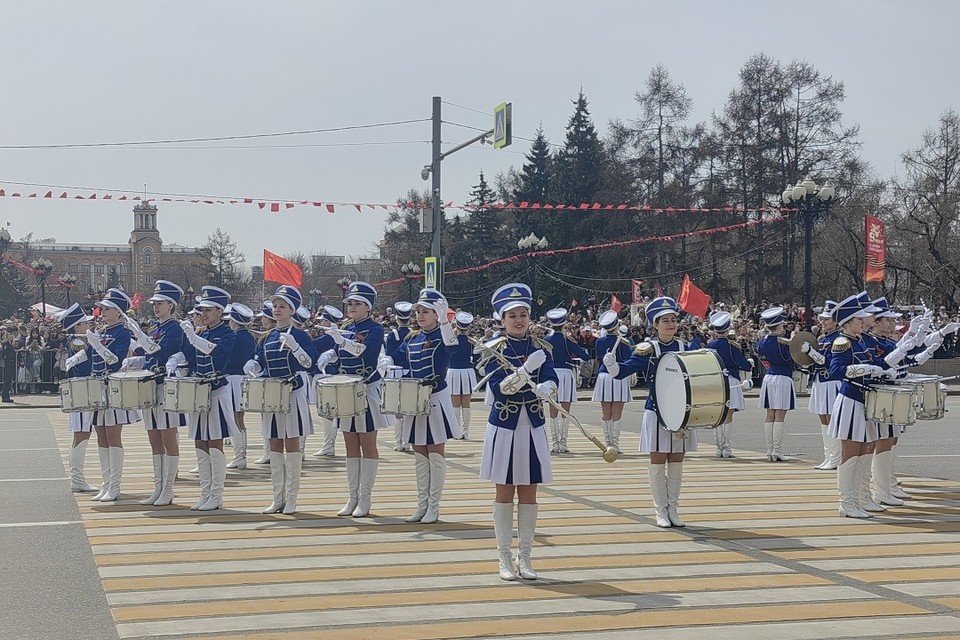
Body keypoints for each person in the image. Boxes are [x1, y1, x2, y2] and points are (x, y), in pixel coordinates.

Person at [479, 283, 557, 581]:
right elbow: (500, 390)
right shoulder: (492, 350)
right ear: (502, 319)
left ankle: (525, 557)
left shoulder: (541, 347)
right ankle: (503, 558)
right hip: (505, 427)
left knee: (529, 492)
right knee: (504, 491)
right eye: (512, 315)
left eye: (523, 314)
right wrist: (526, 371)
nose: (519, 320)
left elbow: (550, 377)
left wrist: (548, 386)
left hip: (533, 426)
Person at [606, 297, 695, 528]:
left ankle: (673, 509)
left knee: (677, 461)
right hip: (657, 412)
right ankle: (660, 511)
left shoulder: (686, 347)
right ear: (655, 325)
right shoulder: (647, 349)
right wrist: (613, 366)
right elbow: (624, 372)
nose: (670, 324)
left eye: (673, 320)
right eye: (664, 321)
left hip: (682, 414)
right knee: (658, 461)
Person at [383, 288, 462, 524]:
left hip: (435, 398)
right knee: (419, 454)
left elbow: (452, 349)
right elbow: (397, 356)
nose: (420, 316)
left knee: (435, 454)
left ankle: (434, 507)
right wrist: (386, 360)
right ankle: (422, 504)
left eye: (426, 311)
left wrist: (446, 322)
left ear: (437, 314)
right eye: (419, 311)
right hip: (414, 399)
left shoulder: (442, 336)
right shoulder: (413, 337)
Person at [316, 282, 389, 518]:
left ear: (368, 307)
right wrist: (330, 353)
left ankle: (365, 498)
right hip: (346, 388)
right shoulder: (347, 326)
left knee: (367, 443)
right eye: (350, 303)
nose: (352, 307)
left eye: (358, 303)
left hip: (366, 388)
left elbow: (367, 353)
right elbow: (341, 353)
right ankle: (352, 496)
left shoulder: (375, 329)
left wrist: (342, 342)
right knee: (349, 444)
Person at [244, 286, 316, 515]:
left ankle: (292, 498)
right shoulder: (267, 336)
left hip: (293, 393)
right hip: (271, 394)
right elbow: (261, 362)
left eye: (282, 306)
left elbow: (309, 364)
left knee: (291, 444)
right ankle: (278, 497)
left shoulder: (301, 335)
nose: (277, 310)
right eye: (275, 306)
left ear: (292, 310)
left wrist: (295, 347)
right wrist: (253, 366)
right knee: (274, 444)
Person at [827, 293, 899, 518]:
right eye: (858, 319)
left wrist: (885, 367)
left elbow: (875, 361)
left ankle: (859, 498)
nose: (863, 321)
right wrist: (866, 370)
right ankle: (846, 503)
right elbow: (835, 371)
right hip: (850, 401)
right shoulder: (842, 342)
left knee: (865, 451)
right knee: (850, 454)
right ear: (848, 322)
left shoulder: (859, 340)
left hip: (863, 401)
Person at [168, 285, 238, 511]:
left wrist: (193, 337)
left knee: (214, 442)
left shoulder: (228, 334)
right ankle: (205, 492)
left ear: (220, 311)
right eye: (202, 310)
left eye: (208, 310)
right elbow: (190, 356)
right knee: (200, 441)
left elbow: (218, 354)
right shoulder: (203, 332)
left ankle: (217, 494)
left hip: (217, 392)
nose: (203, 314)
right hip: (199, 392)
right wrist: (175, 358)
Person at [121, 280, 186, 507]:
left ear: (171, 305)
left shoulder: (174, 328)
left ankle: (168, 489)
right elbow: (150, 357)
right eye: (155, 303)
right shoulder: (157, 328)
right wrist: (133, 360)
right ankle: (158, 487)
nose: (155, 307)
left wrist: (139, 334)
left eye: (160, 303)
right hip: (150, 385)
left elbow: (162, 351)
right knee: (154, 439)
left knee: (168, 438)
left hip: (166, 386)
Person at [87, 288, 142, 503]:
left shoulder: (122, 333)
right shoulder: (102, 331)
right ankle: (105, 483)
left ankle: (115, 486)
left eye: (108, 308)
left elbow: (115, 360)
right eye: (103, 308)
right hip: (99, 387)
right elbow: (94, 359)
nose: (103, 311)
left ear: (119, 312)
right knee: (101, 436)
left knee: (112, 436)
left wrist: (97, 345)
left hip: (114, 387)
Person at [55, 303, 98, 492]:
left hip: (82, 389)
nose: (88, 326)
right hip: (81, 389)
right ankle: (77, 479)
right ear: (77, 327)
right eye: (84, 324)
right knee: (81, 436)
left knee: (81, 436)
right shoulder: (78, 341)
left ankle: (78, 479)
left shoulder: (78, 339)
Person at [706, 311, 754, 458]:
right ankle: (727, 448)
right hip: (731, 380)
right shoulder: (732, 345)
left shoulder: (710, 345)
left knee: (717, 414)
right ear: (727, 328)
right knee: (728, 414)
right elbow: (742, 363)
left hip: (715, 381)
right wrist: (749, 364)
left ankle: (718, 447)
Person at [544, 308, 590, 453]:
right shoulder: (567, 339)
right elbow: (584, 355)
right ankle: (563, 443)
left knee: (552, 409)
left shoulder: (546, 340)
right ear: (564, 323)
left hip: (551, 373)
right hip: (566, 373)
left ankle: (555, 443)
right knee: (565, 409)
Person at [756, 306, 796, 462]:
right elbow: (792, 359)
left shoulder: (763, 341)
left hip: (769, 377)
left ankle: (769, 450)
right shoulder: (784, 343)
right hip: (783, 378)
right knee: (780, 415)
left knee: (769, 415)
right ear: (779, 326)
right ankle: (777, 450)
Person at [591, 311, 632, 453]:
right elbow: (628, 360)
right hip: (618, 375)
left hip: (603, 375)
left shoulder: (599, 341)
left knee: (606, 412)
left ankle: (608, 442)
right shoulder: (624, 342)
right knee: (617, 412)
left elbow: (599, 356)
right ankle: (614, 443)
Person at [808, 301, 841, 470]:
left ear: (836, 321)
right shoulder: (822, 338)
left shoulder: (838, 339)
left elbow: (827, 361)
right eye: (822, 319)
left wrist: (811, 353)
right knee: (823, 419)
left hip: (831, 381)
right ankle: (828, 456)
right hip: (820, 381)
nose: (823, 322)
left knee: (831, 419)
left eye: (827, 320)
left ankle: (836, 458)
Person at [224, 303, 256, 469]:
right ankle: (241, 455)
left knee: (235, 419)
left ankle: (239, 456)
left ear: (234, 321)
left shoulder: (234, 337)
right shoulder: (250, 337)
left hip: (232, 379)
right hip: (244, 378)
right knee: (240, 419)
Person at [311, 305, 343, 458]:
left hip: (325, 375)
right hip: (330, 375)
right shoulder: (333, 337)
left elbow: (312, 349)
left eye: (323, 321)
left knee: (327, 413)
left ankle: (328, 446)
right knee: (328, 413)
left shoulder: (328, 338)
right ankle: (328, 445)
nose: (321, 324)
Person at [384, 301, 413, 451]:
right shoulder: (414, 334)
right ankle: (407, 442)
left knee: (397, 411)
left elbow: (389, 356)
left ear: (396, 318)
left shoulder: (392, 336)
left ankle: (398, 443)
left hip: (395, 373)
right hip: (410, 374)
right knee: (408, 410)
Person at [445, 311, 478, 440]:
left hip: (454, 371)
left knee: (455, 403)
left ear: (457, 325)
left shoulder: (451, 340)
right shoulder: (472, 342)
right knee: (466, 403)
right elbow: (476, 358)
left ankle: (456, 430)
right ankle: (466, 431)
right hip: (467, 372)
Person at [252, 301, 276, 465]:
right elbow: (259, 359)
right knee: (266, 418)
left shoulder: (270, 336)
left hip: (280, 382)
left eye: (264, 318)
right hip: (266, 380)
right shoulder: (264, 337)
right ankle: (268, 451)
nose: (262, 321)